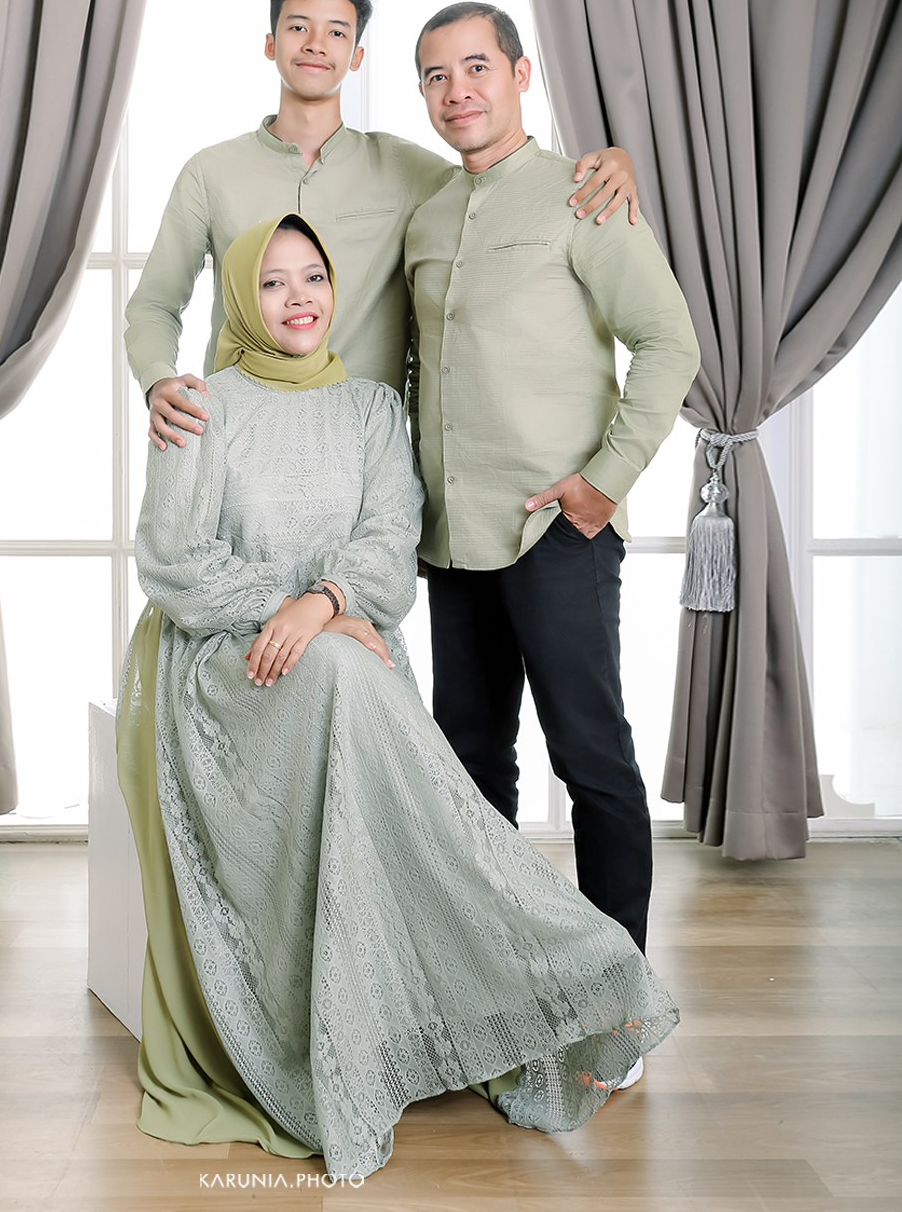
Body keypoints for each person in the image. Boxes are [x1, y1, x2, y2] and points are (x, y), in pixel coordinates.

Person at [117, 212, 678, 1181]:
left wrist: (327, 602)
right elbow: (172, 561)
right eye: (275, 283)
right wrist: (288, 612)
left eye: (315, 279)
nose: (298, 299)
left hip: (344, 645)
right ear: (243, 298)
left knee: (350, 668)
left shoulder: (374, 410)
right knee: (348, 672)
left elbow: (386, 550)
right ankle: (533, 959)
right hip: (229, 667)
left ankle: (548, 972)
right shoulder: (201, 404)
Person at [405, 4, 701, 970]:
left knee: (593, 763)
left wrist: (603, 485)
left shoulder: (584, 194)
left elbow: (670, 342)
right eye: (438, 77)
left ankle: (618, 998)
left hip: (557, 533)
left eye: (477, 67)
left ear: (522, 74)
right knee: (472, 768)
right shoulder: (429, 213)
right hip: (452, 542)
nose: (460, 91)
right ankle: (498, 978)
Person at [124, 0, 640, 448]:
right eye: (298, 28)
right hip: (241, 442)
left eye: (338, 32)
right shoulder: (210, 172)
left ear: (357, 56)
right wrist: (157, 380)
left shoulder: (408, 170)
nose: (316, 45)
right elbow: (154, 304)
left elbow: (503, 183)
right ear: (270, 43)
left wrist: (615, 161)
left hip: (371, 456)